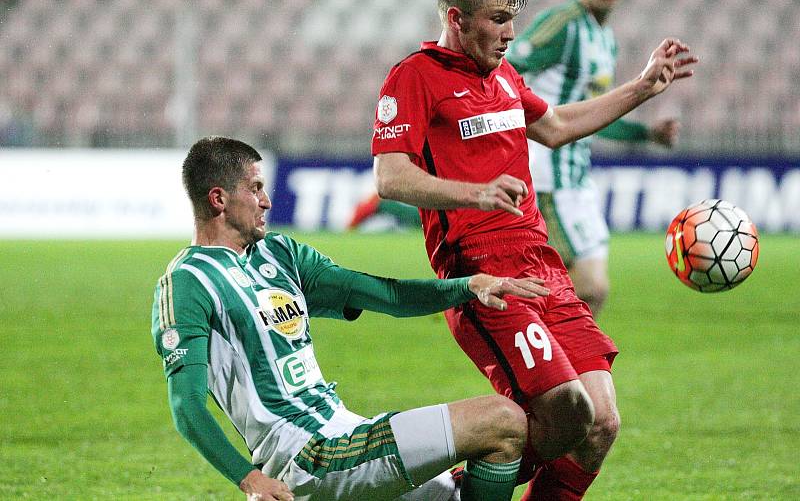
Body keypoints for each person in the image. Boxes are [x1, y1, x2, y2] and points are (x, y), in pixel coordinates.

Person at [370, 0, 697, 499]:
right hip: (482, 273)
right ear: (457, 18)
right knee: (568, 410)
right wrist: (473, 192)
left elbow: (558, 127)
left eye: (512, 21)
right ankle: (450, 491)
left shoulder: (502, 77)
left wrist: (642, 87)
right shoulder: (415, 76)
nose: (510, 34)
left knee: (601, 424)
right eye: (498, 20)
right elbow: (390, 177)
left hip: (542, 264)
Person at [151, 136, 553, 501]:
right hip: (305, 457)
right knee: (503, 420)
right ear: (219, 199)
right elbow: (187, 405)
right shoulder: (188, 282)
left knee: (458, 491)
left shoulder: (281, 255)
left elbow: (385, 295)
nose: (267, 200)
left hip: (345, 433)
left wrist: (468, 286)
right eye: (255, 189)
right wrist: (250, 479)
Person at [506, 0, 680, 318]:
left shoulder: (605, 39)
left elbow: (595, 118)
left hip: (577, 181)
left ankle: (557, 368)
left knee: (585, 295)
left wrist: (645, 134)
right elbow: (504, 67)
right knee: (588, 287)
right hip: (544, 178)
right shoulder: (564, 24)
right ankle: (541, 365)